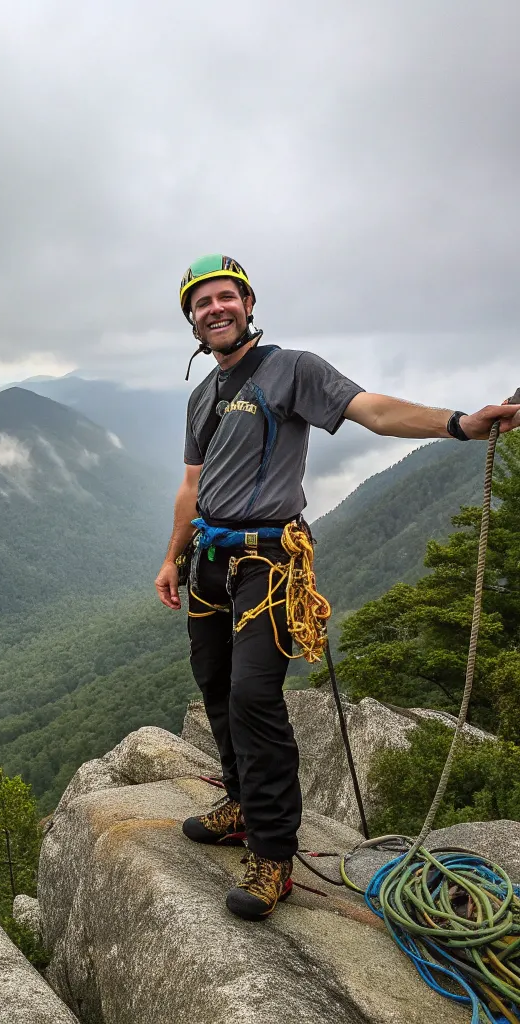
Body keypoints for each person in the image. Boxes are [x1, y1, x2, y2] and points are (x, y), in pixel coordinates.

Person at [154, 253, 520, 921]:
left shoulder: (294, 370)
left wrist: (461, 424)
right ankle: (238, 801)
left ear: (247, 303)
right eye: (201, 303)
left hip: (270, 563)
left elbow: (372, 411)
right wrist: (172, 557)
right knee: (214, 683)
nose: (215, 309)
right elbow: (190, 485)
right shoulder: (201, 395)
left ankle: (273, 854)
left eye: (224, 297)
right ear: (192, 321)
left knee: (253, 696)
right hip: (210, 557)